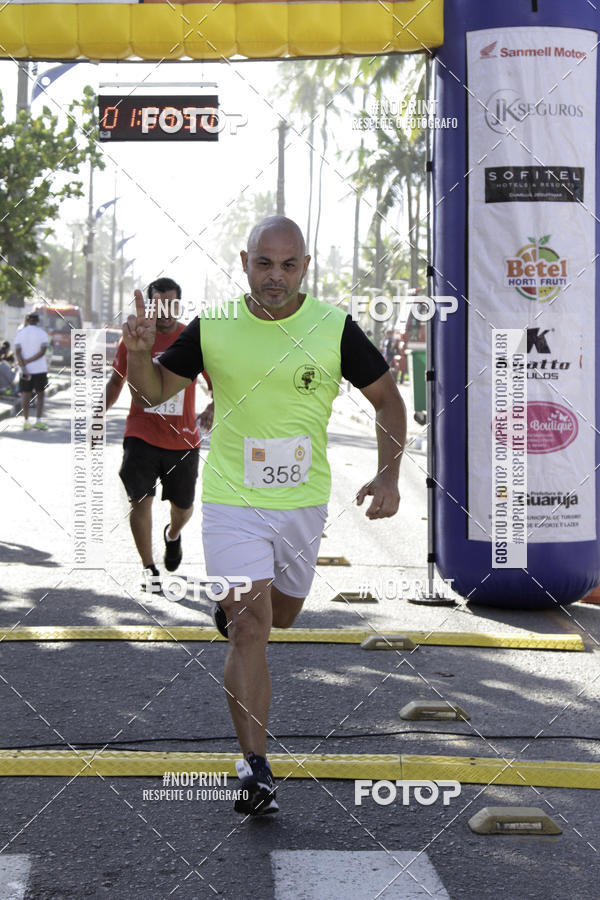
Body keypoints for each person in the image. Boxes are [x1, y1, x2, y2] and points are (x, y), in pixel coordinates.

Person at [121, 217, 407, 817]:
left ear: (305, 267)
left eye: (288, 265)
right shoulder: (215, 326)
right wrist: (142, 359)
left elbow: (386, 397)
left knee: (280, 617)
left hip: (302, 504)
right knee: (249, 627)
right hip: (231, 501)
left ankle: (242, 611)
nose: (275, 277)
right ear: (245, 261)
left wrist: (389, 474)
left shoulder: (333, 327)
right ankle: (255, 767)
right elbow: (154, 393)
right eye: (264, 264)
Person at [106, 277, 213, 592]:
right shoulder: (135, 339)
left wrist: (212, 408)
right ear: (150, 305)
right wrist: (97, 414)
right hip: (140, 433)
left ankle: (173, 534)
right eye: (158, 303)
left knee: (183, 507)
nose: (164, 310)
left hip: (183, 440)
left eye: (171, 303)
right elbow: (116, 383)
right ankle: (149, 568)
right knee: (140, 498)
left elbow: (218, 381)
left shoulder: (191, 340)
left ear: (179, 304)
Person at [14, 312, 50, 431]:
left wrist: (24, 367)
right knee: (40, 395)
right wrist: (29, 360)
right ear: (38, 321)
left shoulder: (20, 333)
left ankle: (26, 421)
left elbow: (18, 352)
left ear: (28, 320)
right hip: (40, 369)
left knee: (26, 394)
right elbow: (43, 351)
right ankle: (38, 421)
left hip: (25, 370)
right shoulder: (43, 333)